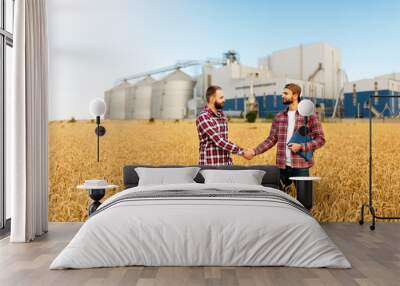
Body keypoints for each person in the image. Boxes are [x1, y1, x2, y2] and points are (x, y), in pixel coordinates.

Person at [244, 83, 325, 191]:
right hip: (282, 166)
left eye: (286, 93)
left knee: (305, 201)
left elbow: (320, 139)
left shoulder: (309, 115)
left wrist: (301, 146)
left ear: (295, 95)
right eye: (282, 93)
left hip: (301, 166)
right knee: (282, 199)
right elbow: (271, 139)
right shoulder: (279, 116)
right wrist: (254, 151)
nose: (282, 95)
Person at [196, 85, 254, 165]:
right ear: (212, 99)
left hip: (226, 165)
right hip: (210, 167)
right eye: (221, 98)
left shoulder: (222, 115)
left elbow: (225, 141)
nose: (224, 100)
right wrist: (242, 152)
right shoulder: (203, 117)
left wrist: (230, 163)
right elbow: (218, 140)